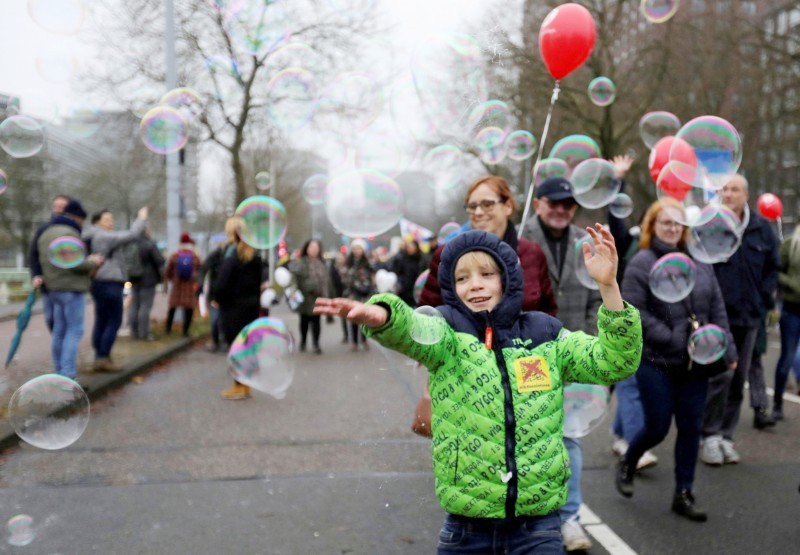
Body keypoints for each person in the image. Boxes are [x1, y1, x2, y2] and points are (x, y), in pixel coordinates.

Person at [314, 227, 642, 554]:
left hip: (538, 527)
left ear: (507, 279)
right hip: (466, 530)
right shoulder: (446, 335)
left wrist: (608, 286)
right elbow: (410, 327)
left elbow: (614, 362)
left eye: (486, 274)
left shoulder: (545, 334)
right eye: (462, 278)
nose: (475, 285)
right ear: (451, 287)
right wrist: (383, 314)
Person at [615, 198, 737, 522]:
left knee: (691, 426)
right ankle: (629, 460)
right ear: (653, 226)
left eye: (678, 223)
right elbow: (634, 311)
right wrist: (672, 337)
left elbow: (717, 306)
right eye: (666, 222)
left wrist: (729, 350)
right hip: (657, 361)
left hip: (697, 362)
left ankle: (684, 492)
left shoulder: (699, 260)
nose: (672, 228)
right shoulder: (642, 262)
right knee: (657, 427)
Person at [520, 176, 605, 549]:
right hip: (527, 358)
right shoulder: (518, 238)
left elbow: (594, 301)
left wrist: (588, 349)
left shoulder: (583, 243)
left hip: (573, 357)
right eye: (553, 202)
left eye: (568, 204)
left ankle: (569, 519)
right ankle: (529, 518)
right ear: (538, 203)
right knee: (528, 437)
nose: (561, 209)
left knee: (570, 438)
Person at [700, 174, 780, 466]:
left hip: (750, 316)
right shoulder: (710, 226)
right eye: (725, 189)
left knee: (738, 378)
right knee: (718, 376)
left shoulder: (761, 228)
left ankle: (726, 436)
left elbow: (774, 266)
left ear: (746, 195)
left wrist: (763, 297)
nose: (729, 194)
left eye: (735, 189)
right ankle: (708, 435)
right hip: (717, 316)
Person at [605, 155, 660, 473]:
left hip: (652, 324)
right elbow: (614, 218)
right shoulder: (629, 243)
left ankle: (620, 434)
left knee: (634, 383)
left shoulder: (666, 251)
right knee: (629, 382)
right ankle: (634, 444)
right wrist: (617, 181)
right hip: (623, 319)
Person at [36, 199, 104, 380]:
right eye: (81, 220)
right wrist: (93, 261)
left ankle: (58, 369)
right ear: (76, 217)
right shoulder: (69, 233)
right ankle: (67, 372)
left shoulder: (46, 232)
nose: (81, 224)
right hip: (71, 289)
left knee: (59, 330)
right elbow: (75, 264)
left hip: (53, 288)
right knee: (74, 330)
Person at [83, 206, 149, 372]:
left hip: (97, 281)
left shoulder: (92, 235)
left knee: (101, 319)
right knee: (114, 320)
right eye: (107, 220)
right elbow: (132, 235)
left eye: (111, 219)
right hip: (110, 282)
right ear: (97, 222)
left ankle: (100, 356)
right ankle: (103, 357)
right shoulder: (103, 235)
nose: (111, 223)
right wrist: (141, 218)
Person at [215, 218, 265, 400]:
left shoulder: (232, 256)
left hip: (233, 309)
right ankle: (246, 386)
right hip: (251, 308)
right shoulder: (256, 257)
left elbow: (222, 284)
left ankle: (239, 386)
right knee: (247, 347)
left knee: (235, 348)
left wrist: (217, 298)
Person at [29, 193, 70, 332]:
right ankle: (60, 345)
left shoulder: (74, 230)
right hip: (47, 283)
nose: (58, 209)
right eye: (56, 206)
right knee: (50, 318)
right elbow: (33, 254)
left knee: (65, 319)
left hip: (66, 283)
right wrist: (36, 274)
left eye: (62, 206)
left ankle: (65, 348)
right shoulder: (43, 229)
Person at [772, 225, 800, 420]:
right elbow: (775, 272)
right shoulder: (791, 244)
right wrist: (794, 285)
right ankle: (777, 403)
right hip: (791, 310)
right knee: (787, 358)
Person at [290, 239, 332, 354]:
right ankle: (303, 341)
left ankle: (316, 343)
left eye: (316, 247)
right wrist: (293, 291)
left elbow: (327, 282)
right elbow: (293, 279)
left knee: (316, 321)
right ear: (306, 248)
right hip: (304, 297)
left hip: (318, 297)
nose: (314, 249)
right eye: (311, 247)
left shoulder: (322, 263)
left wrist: (328, 297)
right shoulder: (299, 262)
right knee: (304, 320)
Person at [126, 226, 164, 341]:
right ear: (146, 231)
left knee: (134, 305)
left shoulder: (130, 243)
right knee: (145, 307)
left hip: (133, 278)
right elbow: (159, 260)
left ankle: (133, 331)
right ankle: (144, 333)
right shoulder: (149, 243)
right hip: (148, 279)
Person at [164, 232, 201, 337]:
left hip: (177, 285)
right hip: (189, 286)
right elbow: (199, 269)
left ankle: (168, 329)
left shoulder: (175, 255)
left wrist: (172, 279)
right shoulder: (194, 256)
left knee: (172, 307)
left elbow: (168, 271)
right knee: (188, 308)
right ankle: (185, 331)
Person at [343, 239, 374, 352]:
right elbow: (345, 277)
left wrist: (368, 288)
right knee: (354, 318)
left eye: (359, 248)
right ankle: (355, 342)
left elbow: (371, 278)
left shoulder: (367, 263)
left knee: (364, 319)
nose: (357, 251)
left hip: (364, 295)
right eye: (355, 248)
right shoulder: (349, 263)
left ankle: (364, 340)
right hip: (353, 295)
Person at [198, 237, 228, 353]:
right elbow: (203, 269)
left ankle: (224, 340)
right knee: (215, 319)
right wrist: (200, 285)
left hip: (227, 293)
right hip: (215, 294)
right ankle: (216, 341)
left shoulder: (233, 255)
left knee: (223, 319)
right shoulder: (216, 255)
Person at [390, 238, 424, 306]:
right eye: (409, 247)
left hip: (415, 290)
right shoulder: (402, 259)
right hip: (404, 290)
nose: (410, 249)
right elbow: (397, 272)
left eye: (412, 247)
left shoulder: (421, 260)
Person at [329, 250, 350, 343]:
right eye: (338, 258)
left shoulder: (349, 268)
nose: (340, 260)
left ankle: (358, 337)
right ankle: (346, 335)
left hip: (349, 295)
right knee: (343, 317)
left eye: (341, 258)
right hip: (339, 294)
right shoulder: (333, 269)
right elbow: (332, 282)